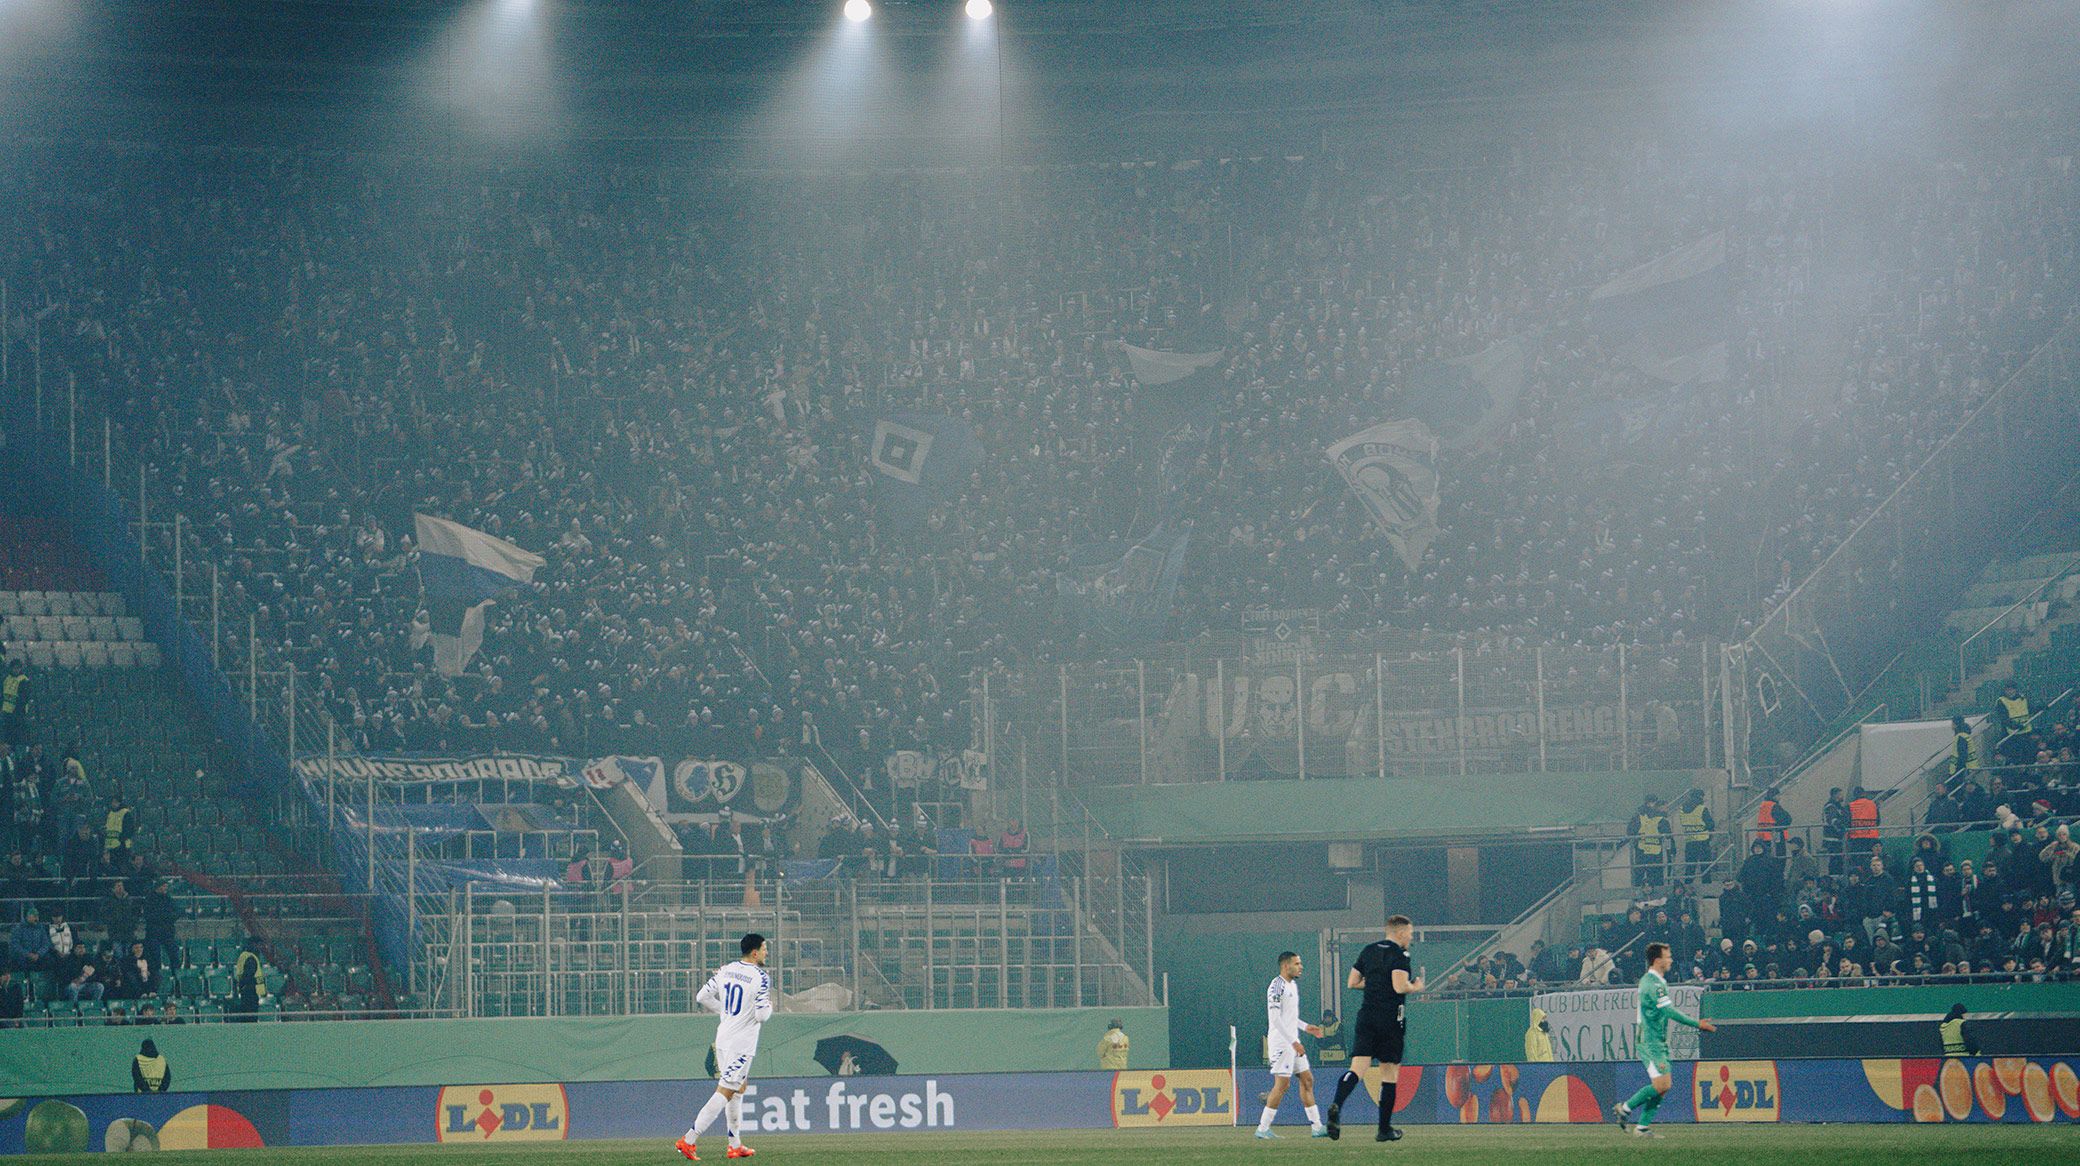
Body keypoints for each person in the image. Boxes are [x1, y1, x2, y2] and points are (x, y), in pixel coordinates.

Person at [1326, 914, 1422, 1143]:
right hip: (1390, 1018)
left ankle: (1337, 1103)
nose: (1410, 937)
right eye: (1409, 932)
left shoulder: (1367, 951)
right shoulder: (1400, 955)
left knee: (1357, 1067)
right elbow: (1399, 986)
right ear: (1399, 933)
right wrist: (1415, 987)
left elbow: (1352, 983)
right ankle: (1384, 1129)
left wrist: (1377, 982)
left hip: (1366, 1015)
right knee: (1389, 1072)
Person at [678, 933, 773, 1162]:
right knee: (725, 1091)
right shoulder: (760, 977)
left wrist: (726, 1013)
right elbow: (761, 1015)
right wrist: (770, 1006)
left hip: (723, 1039)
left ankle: (735, 1145)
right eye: (764, 948)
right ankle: (689, 1140)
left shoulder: (726, 970)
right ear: (754, 952)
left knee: (738, 1089)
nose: (766, 953)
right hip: (741, 1045)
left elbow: (702, 996)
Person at [1611, 942, 1715, 1137]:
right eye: (1668, 957)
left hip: (1658, 1041)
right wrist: (1697, 1024)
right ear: (1658, 960)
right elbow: (1667, 1011)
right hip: (1649, 1042)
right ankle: (1624, 1108)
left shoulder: (1656, 981)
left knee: (1664, 1086)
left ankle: (1642, 1127)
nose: (1671, 960)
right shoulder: (1652, 983)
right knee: (1662, 1084)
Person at [1255, 951, 1328, 1139]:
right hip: (1282, 1042)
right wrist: (1294, 1042)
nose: (1301, 967)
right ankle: (1262, 1129)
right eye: (1297, 963)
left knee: (1307, 1080)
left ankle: (1317, 1127)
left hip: (1292, 1041)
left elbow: (1290, 1018)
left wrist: (1305, 1027)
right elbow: (1276, 1019)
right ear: (1286, 966)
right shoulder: (1276, 986)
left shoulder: (1292, 985)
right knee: (1282, 1085)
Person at [1628, 795, 1671, 888]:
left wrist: (1637, 842)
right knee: (1657, 877)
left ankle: (1638, 896)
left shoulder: (1638, 817)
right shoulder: (1660, 819)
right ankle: (1658, 898)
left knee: (1639, 877)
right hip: (1656, 853)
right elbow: (1668, 837)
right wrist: (1670, 851)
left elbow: (1630, 832)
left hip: (1641, 851)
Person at [1993, 683, 2036, 767]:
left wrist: (2040, 707)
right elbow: (2004, 718)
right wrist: (2014, 726)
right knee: (2015, 757)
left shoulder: (2023, 698)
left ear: (2016, 689)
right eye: (2007, 689)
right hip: (2011, 734)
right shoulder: (2001, 701)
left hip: (2026, 732)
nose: (2010, 691)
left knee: (2029, 755)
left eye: (2012, 689)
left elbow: (2031, 709)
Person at [1677, 789, 1714, 882]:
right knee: (1705, 867)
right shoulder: (1702, 808)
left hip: (1689, 841)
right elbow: (1710, 824)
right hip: (1703, 841)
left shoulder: (1682, 809)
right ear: (1700, 796)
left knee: (1690, 867)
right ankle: (1706, 887)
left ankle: (1688, 886)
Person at [1847, 787, 1880, 868]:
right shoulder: (1873, 804)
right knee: (1872, 861)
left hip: (1856, 839)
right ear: (1864, 793)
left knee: (1857, 862)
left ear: (1854, 795)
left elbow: (1847, 823)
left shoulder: (1850, 806)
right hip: (1872, 838)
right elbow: (1878, 821)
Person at [230, 940, 262, 1022]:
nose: (260, 948)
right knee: (251, 1016)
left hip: (245, 990)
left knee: (246, 1015)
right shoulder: (251, 958)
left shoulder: (243, 956)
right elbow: (248, 975)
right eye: (259, 945)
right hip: (251, 991)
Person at [1753, 786, 1790, 855]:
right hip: (1775, 836)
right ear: (1774, 796)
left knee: (1766, 856)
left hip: (1762, 836)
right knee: (1779, 857)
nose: (1780, 797)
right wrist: (1782, 827)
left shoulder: (1763, 805)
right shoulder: (1774, 806)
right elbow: (1787, 819)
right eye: (1778, 795)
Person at [1822, 787, 1850, 876]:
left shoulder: (1837, 807)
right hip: (1832, 839)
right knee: (1835, 860)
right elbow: (1833, 820)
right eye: (1841, 794)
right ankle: (1834, 877)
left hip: (1836, 838)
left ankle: (1838, 876)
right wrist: (1842, 829)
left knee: (1838, 860)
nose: (1842, 796)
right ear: (1835, 795)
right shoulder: (1830, 806)